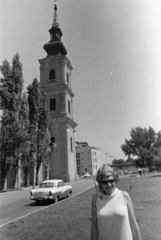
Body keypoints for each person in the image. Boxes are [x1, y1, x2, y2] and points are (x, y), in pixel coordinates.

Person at [91, 164, 141, 240]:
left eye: (111, 181)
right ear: (101, 183)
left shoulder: (124, 196)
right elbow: (94, 226)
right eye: (105, 182)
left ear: (115, 180)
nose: (109, 184)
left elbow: (133, 224)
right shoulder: (96, 199)